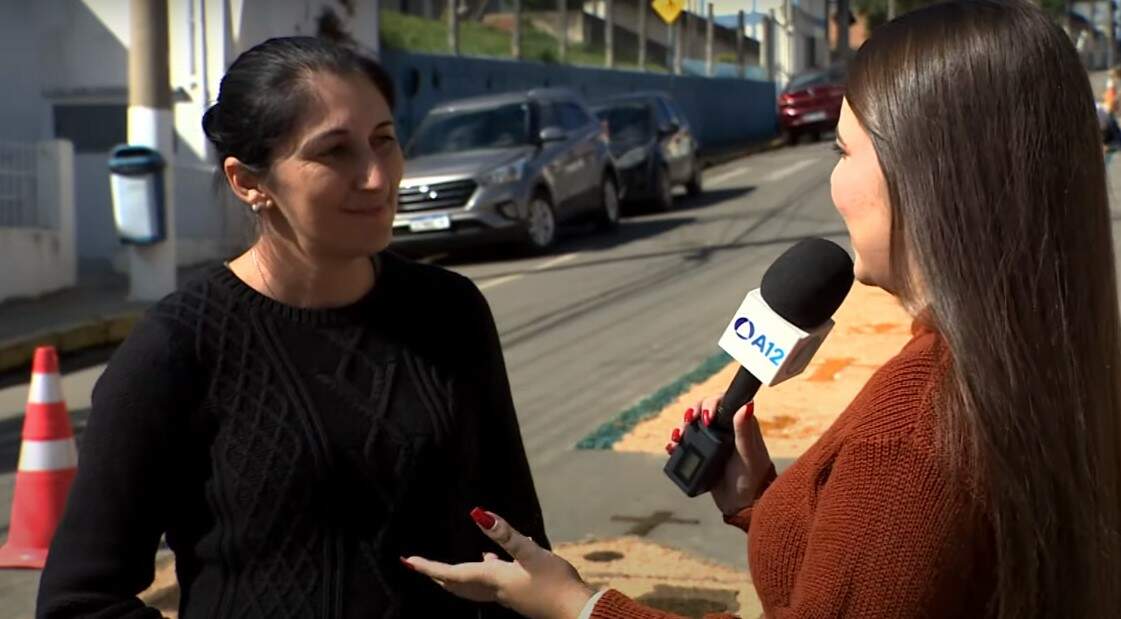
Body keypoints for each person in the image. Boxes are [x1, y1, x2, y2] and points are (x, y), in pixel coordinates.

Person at [405, 2, 1121, 617]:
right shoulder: (1045, 362)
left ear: (930, 174)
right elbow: (870, 581)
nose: (832, 183)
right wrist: (761, 503)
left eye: (843, 150)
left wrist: (579, 603)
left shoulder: (911, 434)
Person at [36, 36, 548, 618]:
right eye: (335, 152)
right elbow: (78, 602)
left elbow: (522, 548)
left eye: (384, 140)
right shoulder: (178, 347)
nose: (376, 177)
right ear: (248, 182)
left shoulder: (450, 311)